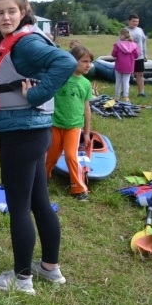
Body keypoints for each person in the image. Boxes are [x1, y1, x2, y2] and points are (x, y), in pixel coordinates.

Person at [0, 0, 77, 295]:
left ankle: (22, 278)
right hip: (34, 131)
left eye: (12, 11)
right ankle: (50, 268)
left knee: (20, 206)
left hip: (22, 132)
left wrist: (37, 94)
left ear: (23, 12)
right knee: (38, 201)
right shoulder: (20, 39)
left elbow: (64, 62)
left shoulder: (26, 42)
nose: (6, 17)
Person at [45, 45, 94, 201]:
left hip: (74, 127)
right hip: (55, 124)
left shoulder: (86, 83)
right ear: (73, 61)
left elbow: (87, 109)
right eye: (84, 61)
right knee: (52, 155)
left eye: (90, 62)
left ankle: (79, 188)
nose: (88, 65)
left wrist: (86, 133)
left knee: (71, 156)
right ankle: (43, 178)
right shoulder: (60, 78)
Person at [112, 28, 139, 102]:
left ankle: (116, 97)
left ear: (121, 35)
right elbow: (137, 55)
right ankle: (125, 97)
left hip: (119, 65)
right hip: (129, 66)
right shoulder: (134, 45)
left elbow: (114, 54)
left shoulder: (117, 44)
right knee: (126, 81)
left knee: (118, 81)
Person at [126, 14, 147, 97]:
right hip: (128, 57)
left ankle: (141, 92)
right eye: (133, 21)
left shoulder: (140, 30)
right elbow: (120, 44)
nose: (135, 23)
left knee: (140, 74)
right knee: (126, 74)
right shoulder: (124, 30)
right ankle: (124, 92)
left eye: (137, 21)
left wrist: (145, 54)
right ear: (129, 21)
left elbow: (144, 42)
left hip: (139, 56)